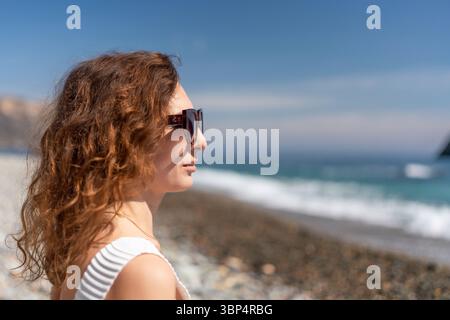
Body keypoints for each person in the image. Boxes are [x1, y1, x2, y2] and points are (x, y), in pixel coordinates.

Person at [13, 51, 207, 299]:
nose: (200, 141)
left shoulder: (84, 243)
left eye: (198, 122)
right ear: (128, 134)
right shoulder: (141, 271)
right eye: (187, 123)